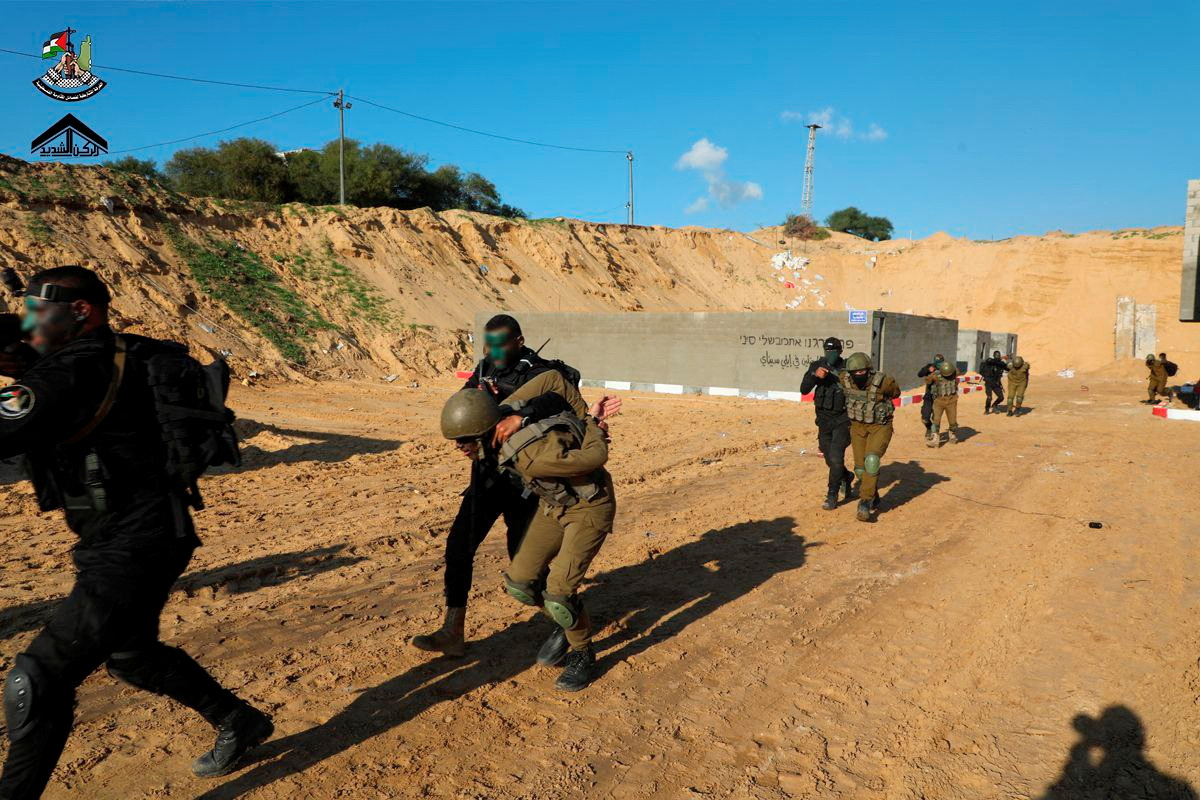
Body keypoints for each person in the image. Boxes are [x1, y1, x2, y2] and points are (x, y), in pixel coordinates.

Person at [0, 267, 271, 799]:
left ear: (81, 311)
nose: (27, 322)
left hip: (133, 545)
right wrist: (25, 359)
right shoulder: (119, 352)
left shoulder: (72, 371)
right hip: (145, 532)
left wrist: (24, 371)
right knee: (133, 657)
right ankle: (239, 720)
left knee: (37, 678)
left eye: (36, 311)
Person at [411, 314, 619, 658]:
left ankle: (564, 624)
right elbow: (466, 404)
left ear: (519, 342)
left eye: (500, 346)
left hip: (530, 482)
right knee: (459, 545)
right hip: (488, 475)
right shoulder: (484, 370)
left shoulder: (541, 371)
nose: (493, 353)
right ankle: (453, 630)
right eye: (488, 346)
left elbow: (560, 400)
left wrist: (519, 413)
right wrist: (478, 408)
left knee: (522, 562)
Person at [440, 388, 616, 692]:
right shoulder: (505, 430)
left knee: (559, 593)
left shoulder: (531, 458)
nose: (460, 448)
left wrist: (593, 425)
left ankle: (582, 653)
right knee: (520, 582)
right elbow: (550, 396)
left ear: (484, 433)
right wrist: (524, 416)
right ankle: (567, 624)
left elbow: (596, 456)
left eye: (465, 440)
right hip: (555, 504)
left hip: (589, 507)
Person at [839, 352, 900, 522]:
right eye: (855, 372)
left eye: (862, 371)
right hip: (857, 427)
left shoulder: (883, 382)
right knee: (860, 470)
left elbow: (896, 392)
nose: (858, 374)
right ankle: (873, 495)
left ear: (868, 369)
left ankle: (865, 502)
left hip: (880, 426)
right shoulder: (844, 379)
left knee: (871, 460)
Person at [799, 336, 854, 510]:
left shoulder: (848, 367)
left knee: (836, 457)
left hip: (843, 419)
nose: (830, 354)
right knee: (830, 460)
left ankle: (832, 495)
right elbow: (804, 389)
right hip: (824, 421)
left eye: (834, 351)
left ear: (840, 351)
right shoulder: (817, 366)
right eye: (828, 350)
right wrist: (814, 375)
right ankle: (846, 476)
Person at [925, 361, 961, 447]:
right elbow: (927, 381)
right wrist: (931, 375)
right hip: (939, 401)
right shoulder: (936, 375)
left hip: (952, 400)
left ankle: (952, 434)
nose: (949, 376)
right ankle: (935, 438)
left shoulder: (954, 372)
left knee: (952, 420)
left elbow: (958, 371)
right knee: (935, 420)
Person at [916, 354, 945, 440]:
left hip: (940, 397)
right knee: (925, 418)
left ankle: (934, 435)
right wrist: (928, 370)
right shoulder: (930, 366)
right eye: (937, 363)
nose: (939, 364)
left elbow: (955, 373)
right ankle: (929, 428)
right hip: (929, 396)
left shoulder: (946, 368)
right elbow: (919, 374)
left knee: (936, 418)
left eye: (940, 362)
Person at [980, 350, 1009, 414]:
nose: (997, 356)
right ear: (993, 356)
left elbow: (1008, 369)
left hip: (996, 383)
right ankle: (987, 409)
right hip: (988, 383)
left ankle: (994, 405)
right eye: (996, 355)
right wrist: (1002, 358)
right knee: (989, 397)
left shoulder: (1001, 364)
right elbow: (992, 361)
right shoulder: (989, 361)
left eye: (998, 355)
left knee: (1001, 398)